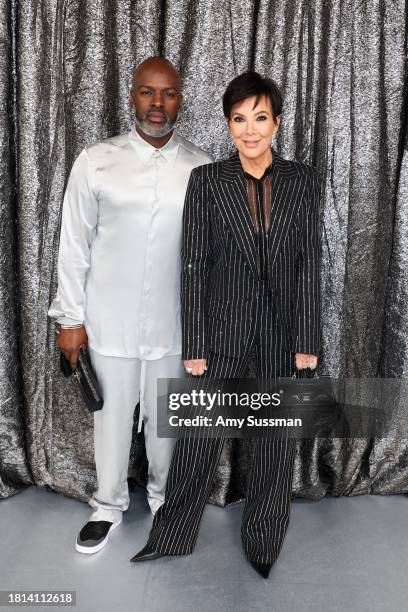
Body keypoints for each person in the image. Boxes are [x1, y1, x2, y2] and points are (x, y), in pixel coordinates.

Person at [131, 71, 321, 578]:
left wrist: (307, 340)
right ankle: (170, 537)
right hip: (219, 335)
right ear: (229, 125)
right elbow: (191, 264)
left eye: (260, 118)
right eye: (240, 119)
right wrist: (194, 341)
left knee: (271, 446)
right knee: (196, 441)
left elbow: (307, 260)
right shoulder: (207, 182)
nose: (250, 129)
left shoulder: (303, 180)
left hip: (281, 337)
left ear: (276, 123)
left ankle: (262, 542)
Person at [48, 57, 212, 555]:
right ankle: (107, 505)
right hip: (108, 320)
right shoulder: (96, 161)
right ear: (132, 96)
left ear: (180, 99)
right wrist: (69, 319)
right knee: (112, 418)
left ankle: (165, 502)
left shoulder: (202, 167)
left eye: (167, 94)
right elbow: (74, 244)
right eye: (147, 92)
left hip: (174, 324)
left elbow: (212, 254)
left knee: (167, 421)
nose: (157, 104)